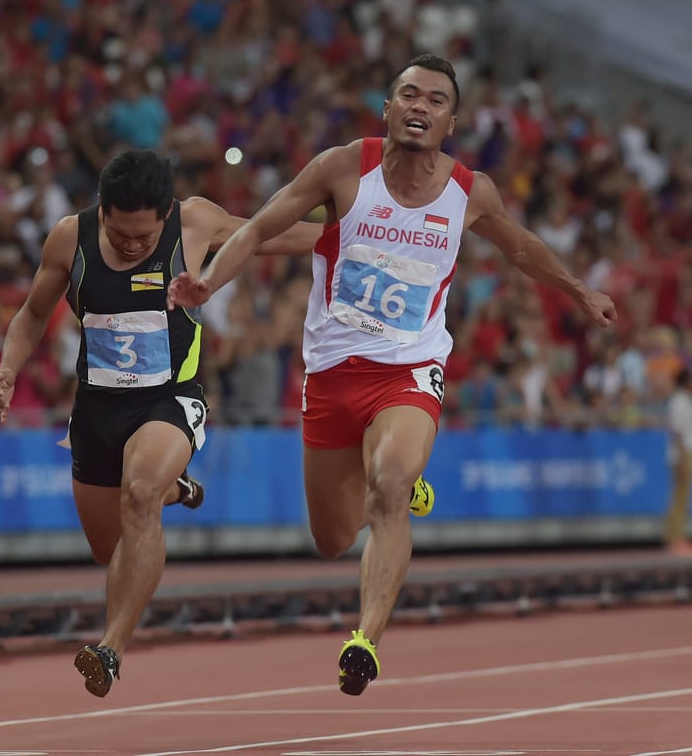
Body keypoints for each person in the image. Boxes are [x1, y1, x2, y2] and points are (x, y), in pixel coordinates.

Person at [168, 54, 616, 696]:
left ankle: (365, 639)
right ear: (387, 108)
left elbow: (520, 246)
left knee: (387, 484)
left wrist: (577, 291)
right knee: (330, 537)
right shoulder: (343, 168)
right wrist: (208, 282)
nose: (420, 106)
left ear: (452, 121)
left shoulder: (470, 191)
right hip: (331, 373)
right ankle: (402, 496)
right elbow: (264, 225)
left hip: (409, 369)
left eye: (435, 100)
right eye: (408, 94)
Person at [0, 149, 319, 698]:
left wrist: (358, 227)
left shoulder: (194, 221)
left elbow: (267, 231)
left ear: (166, 213)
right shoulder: (69, 238)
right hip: (96, 411)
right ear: (103, 212)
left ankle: (110, 648)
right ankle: (176, 488)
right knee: (109, 547)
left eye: (144, 238)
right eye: (121, 236)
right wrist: (7, 367)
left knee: (138, 494)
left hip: (169, 400)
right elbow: (29, 315)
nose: (134, 246)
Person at [664, 368, 692, 555]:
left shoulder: (688, 401)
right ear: (688, 383)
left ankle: (679, 536)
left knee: (685, 498)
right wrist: (683, 459)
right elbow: (678, 432)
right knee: (680, 498)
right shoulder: (679, 402)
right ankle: (674, 539)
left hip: (688, 452)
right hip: (683, 453)